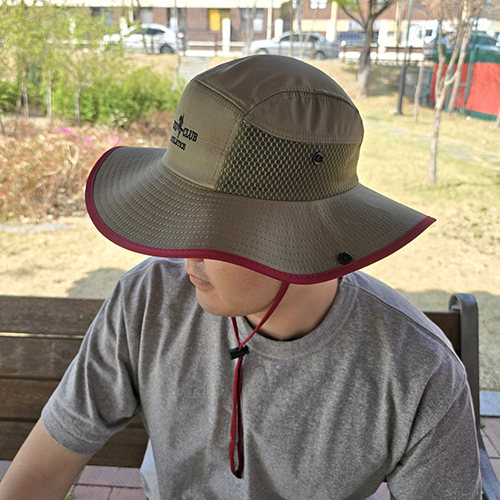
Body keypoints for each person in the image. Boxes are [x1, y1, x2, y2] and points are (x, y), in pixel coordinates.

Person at [0, 55, 481, 500]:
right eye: (177, 214)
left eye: (213, 227)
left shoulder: (418, 372)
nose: (184, 255)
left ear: (302, 233)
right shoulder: (148, 300)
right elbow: (41, 470)